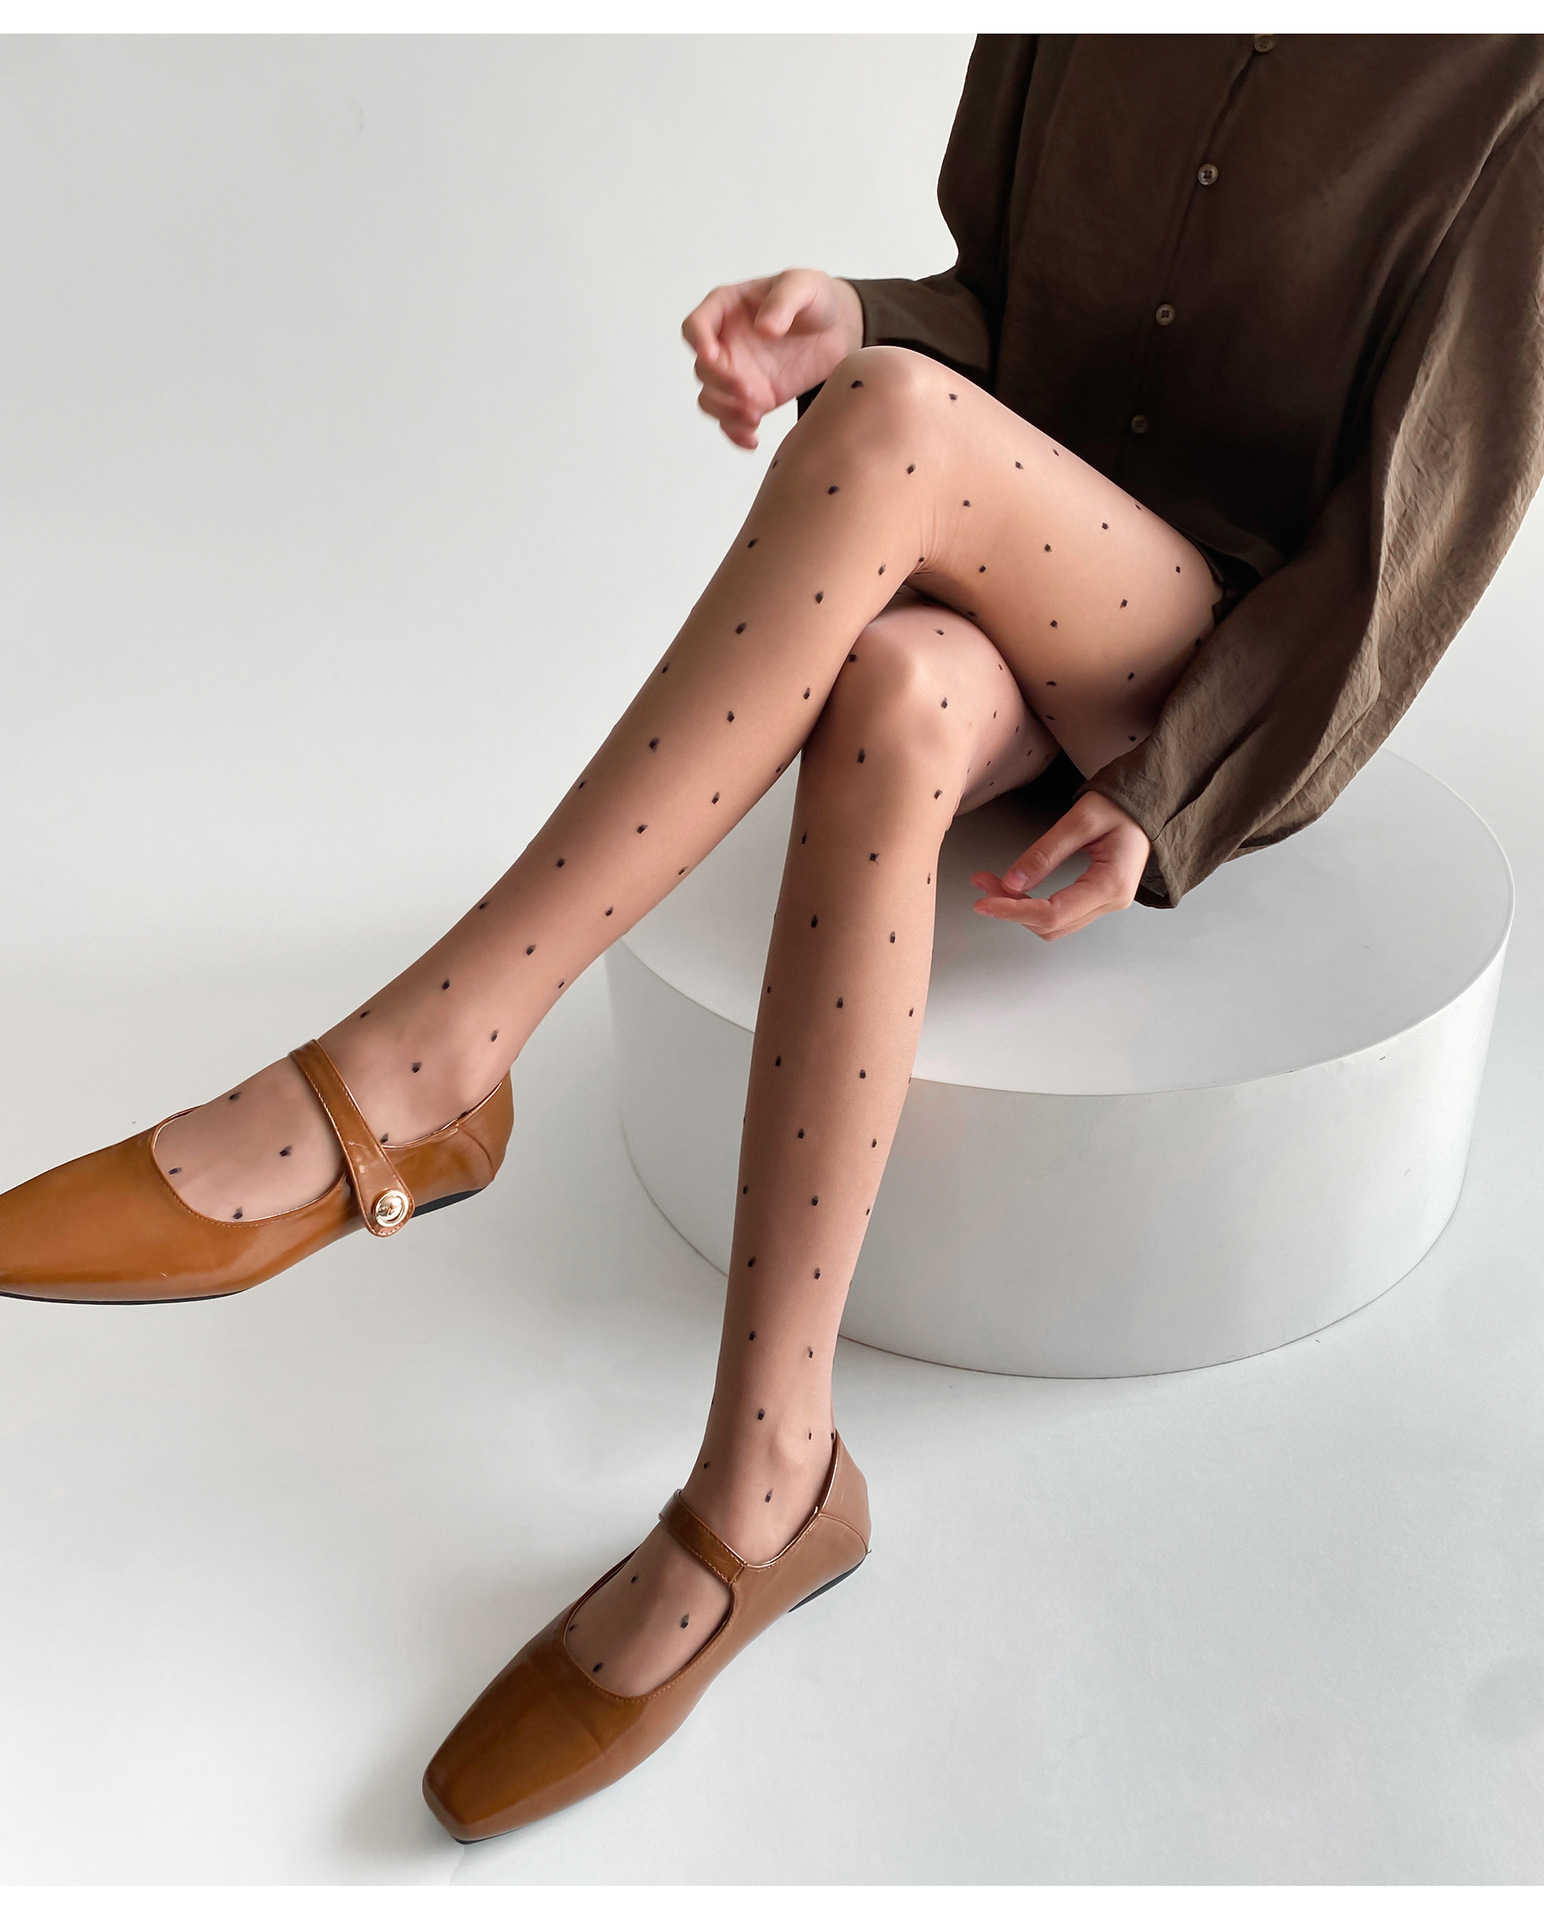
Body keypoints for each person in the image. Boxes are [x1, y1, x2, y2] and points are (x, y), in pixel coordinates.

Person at [2, 33, 1542, 1843]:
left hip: (1209, 650)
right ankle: (770, 1486)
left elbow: (1413, 540)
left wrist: (1185, 784)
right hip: (1008, 558)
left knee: (893, 420)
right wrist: (858, 313)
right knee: (890, 681)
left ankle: (429, 1060)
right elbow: (1003, 309)